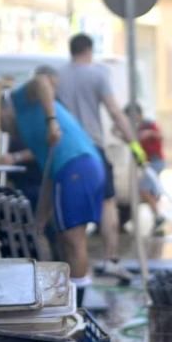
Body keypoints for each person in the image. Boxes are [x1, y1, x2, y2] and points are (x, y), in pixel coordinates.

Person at [0, 67, 104, 307]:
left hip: (77, 164)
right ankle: (71, 301)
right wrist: (40, 219)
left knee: (72, 238)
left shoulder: (20, 100)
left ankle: (78, 307)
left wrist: (52, 121)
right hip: (76, 167)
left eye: (0, 121)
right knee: (64, 238)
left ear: (3, 109)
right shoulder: (27, 132)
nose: (2, 128)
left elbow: (40, 80)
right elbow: (47, 176)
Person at [55, 33, 142, 284]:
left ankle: (73, 267)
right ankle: (110, 259)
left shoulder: (59, 76)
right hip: (93, 149)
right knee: (107, 203)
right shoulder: (97, 75)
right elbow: (115, 111)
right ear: (89, 51)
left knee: (70, 214)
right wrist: (134, 145)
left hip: (67, 151)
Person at [125, 102, 166, 235]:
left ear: (138, 114)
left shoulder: (148, 124)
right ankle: (157, 218)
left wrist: (149, 133)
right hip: (147, 163)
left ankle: (159, 217)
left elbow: (160, 136)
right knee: (150, 191)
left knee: (144, 189)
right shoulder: (135, 129)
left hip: (155, 161)